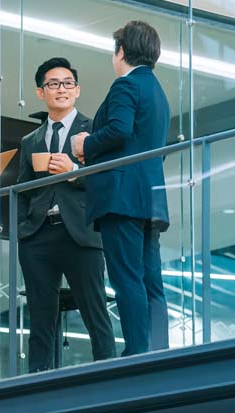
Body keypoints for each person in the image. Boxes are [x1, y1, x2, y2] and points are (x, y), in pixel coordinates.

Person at [71, 20, 170, 356]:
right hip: (151, 199)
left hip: (121, 198)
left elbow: (119, 130)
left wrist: (86, 144)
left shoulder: (125, 86)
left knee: (126, 278)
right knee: (150, 280)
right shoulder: (158, 91)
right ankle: (158, 351)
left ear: (122, 51)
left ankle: (138, 353)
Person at [16, 57, 116, 372]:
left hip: (82, 233)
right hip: (38, 236)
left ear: (77, 91)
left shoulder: (95, 130)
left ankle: (108, 379)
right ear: (40, 93)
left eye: (67, 83)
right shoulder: (30, 141)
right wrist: (23, 227)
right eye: (53, 84)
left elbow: (107, 178)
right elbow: (21, 188)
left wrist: (74, 171)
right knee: (40, 318)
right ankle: (35, 387)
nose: (61, 89)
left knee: (95, 312)